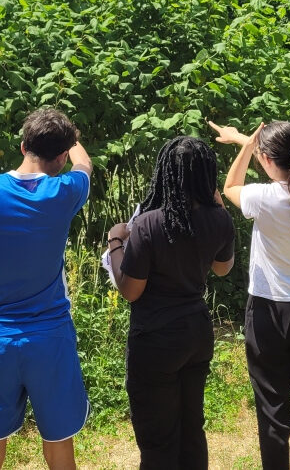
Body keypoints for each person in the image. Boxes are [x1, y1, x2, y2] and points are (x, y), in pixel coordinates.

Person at [0, 108, 93, 470]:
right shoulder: (65, 191)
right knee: (59, 443)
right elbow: (85, 166)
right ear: (61, 156)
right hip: (51, 338)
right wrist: (70, 141)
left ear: (22, 145)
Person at [209, 120, 290, 470]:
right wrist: (250, 141)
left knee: (273, 411)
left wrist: (246, 142)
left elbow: (230, 185)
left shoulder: (262, 198)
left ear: (265, 159)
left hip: (273, 314)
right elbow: (285, 165)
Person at [106, 136, 235, 469]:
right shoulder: (219, 218)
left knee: (157, 440)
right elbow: (223, 268)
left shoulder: (149, 224)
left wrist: (116, 241)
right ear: (207, 175)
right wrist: (218, 209)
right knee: (192, 430)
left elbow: (131, 290)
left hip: (156, 340)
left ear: (164, 174)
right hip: (197, 332)